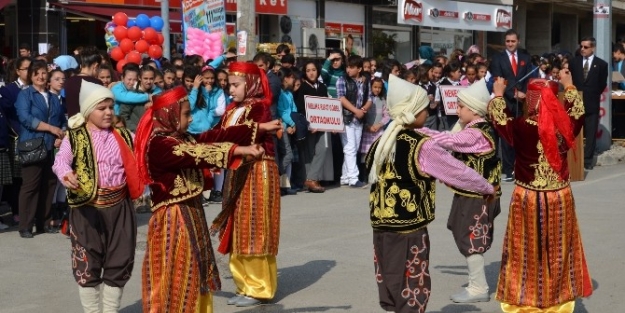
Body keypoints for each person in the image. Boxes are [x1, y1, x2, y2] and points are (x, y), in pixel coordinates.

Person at [136, 86, 277, 313]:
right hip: (174, 218)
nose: (191, 118)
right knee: (179, 272)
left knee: (197, 269)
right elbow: (196, 153)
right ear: (170, 115)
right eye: (185, 114)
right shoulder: (159, 145)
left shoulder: (181, 137)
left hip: (191, 212)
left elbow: (215, 136)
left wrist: (256, 129)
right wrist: (237, 151)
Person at [365, 75, 496, 313]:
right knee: (412, 286)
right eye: (424, 107)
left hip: (381, 226)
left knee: (391, 283)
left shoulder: (380, 141)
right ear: (414, 112)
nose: (428, 111)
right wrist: (486, 187)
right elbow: (456, 172)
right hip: (409, 229)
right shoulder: (422, 146)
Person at [489, 71, 592, 312]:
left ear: (531, 99)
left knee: (524, 249)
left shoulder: (521, 126)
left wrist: (498, 94)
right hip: (559, 196)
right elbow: (577, 112)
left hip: (528, 196)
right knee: (558, 249)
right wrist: (569, 86)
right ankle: (557, 301)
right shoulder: (564, 126)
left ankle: (525, 299)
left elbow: (498, 118)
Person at [52, 80, 142, 313]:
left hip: (120, 206)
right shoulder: (77, 136)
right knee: (87, 263)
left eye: (111, 107)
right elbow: (60, 160)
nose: (108, 113)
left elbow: (142, 155)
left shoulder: (123, 135)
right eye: (101, 108)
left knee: (120, 260)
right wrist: (66, 173)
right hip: (86, 208)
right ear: (88, 110)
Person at [421, 79, 502, 303]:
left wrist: (417, 130)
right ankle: (476, 283)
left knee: (471, 237)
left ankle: (478, 287)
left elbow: (449, 140)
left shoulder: (476, 133)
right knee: (462, 231)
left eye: (460, 107)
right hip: (471, 193)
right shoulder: (474, 127)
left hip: (479, 195)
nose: (456, 110)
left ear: (474, 110)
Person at [211, 61, 282, 308]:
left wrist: (258, 127)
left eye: (235, 84)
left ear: (250, 84)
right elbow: (220, 135)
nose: (230, 89)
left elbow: (239, 134)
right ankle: (245, 285)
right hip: (238, 173)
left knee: (255, 229)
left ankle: (259, 289)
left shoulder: (259, 108)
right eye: (229, 84)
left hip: (258, 171)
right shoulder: (232, 109)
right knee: (238, 229)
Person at [14, 60, 67, 238]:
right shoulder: (26, 95)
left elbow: (61, 120)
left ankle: (44, 222)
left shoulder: (53, 97)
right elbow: (25, 118)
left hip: (51, 146)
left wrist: (61, 135)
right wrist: (51, 129)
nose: (40, 76)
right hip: (32, 145)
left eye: (44, 73)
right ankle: (25, 225)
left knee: (49, 184)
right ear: (31, 75)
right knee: (30, 186)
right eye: (36, 73)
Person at [488, 29, 533, 182]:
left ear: (518, 41)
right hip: (505, 102)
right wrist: (513, 93)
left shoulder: (526, 58)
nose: (510, 44)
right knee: (506, 137)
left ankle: (520, 167)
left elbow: (530, 79)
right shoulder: (497, 59)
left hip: (522, 103)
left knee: (521, 135)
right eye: (507, 41)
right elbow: (498, 79)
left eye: (513, 41)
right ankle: (508, 170)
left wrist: (525, 93)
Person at [569, 36, 608, 170]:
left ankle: (587, 160)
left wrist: (593, 93)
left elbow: (602, 84)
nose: (583, 49)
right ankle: (574, 158)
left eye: (586, 47)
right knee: (575, 131)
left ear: (593, 48)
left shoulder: (601, 64)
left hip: (592, 102)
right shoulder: (574, 62)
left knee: (590, 133)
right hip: (576, 102)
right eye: (581, 46)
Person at [293, 61, 332, 193]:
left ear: (318, 71)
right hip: (308, 126)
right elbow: (300, 109)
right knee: (309, 153)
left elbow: (327, 106)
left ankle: (311, 178)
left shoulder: (322, 87)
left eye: (313, 70)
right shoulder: (302, 88)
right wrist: (308, 124)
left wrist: (332, 123)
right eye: (308, 70)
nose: (311, 72)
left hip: (321, 125)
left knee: (323, 149)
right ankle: (310, 181)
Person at [64, 46, 103, 117]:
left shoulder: (69, 81)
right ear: (96, 66)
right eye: (99, 68)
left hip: (72, 124)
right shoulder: (96, 83)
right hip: (88, 125)